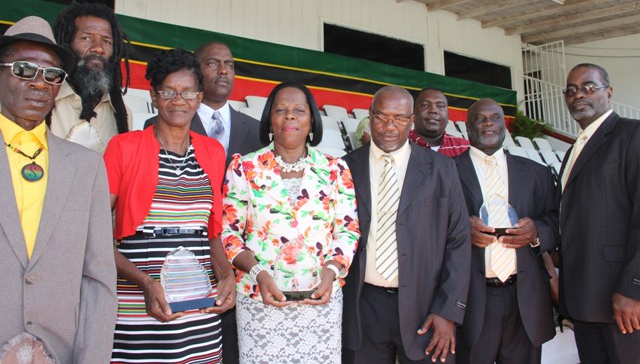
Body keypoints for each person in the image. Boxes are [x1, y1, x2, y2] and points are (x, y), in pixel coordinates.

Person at [104, 48, 235, 364]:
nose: (179, 100)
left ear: (200, 96)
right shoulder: (123, 148)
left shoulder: (214, 152)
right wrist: (146, 283)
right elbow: (94, 237)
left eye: (188, 92)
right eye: (168, 92)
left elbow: (211, 232)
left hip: (199, 312)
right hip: (140, 308)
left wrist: (227, 275)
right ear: (153, 95)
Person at [0, 16, 117, 363]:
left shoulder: (86, 165)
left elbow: (98, 279)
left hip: (59, 352)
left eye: (52, 75)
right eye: (24, 70)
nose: (40, 84)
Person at [221, 82, 360, 364]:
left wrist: (331, 272)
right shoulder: (244, 167)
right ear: (270, 119)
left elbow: (347, 229)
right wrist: (258, 272)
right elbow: (228, 233)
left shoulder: (335, 169)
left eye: (299, 110)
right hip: (260, 301)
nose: (290, 116)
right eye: (281, 110)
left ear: (312, 120)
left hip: (319, 303)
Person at [342, 85, 470, 364]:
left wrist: (449, 310)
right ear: (370, 116)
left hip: (426, 308)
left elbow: (458, 239)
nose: (389, 126)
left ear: (411, 121)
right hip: (364, 307)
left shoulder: (441, 169)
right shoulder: (345, 168)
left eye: (399, 118)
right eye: (381, 117)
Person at [453, 98, 558, 364]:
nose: (488, 122)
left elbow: (557, 221)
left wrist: (537, 232)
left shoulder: (537, 173)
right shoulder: (446, 172)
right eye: (480, 118)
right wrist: (462, 229)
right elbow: (428, 225)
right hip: (471, 299)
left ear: (505, 126)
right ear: (467, 127)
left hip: (525, 300)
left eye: (495, 117)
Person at [558, 63, 640, 363]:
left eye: (589, 87)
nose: (579, 94)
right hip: (584, 300)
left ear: (609, 91)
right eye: (571, 90)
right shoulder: (573, 149)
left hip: (622, 301)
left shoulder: (632, 134)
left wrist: (634, 289)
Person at [146, 42, 261, 168]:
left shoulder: (256, 130)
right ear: (195, 71)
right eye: (212, 63)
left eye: (229, 65)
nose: (223, 70)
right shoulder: (158, 125)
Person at [50, 2, 132, 152]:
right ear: (66, 43)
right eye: (86, 38)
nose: (98, 48)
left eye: (106, 41)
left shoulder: (122, 115)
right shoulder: (44, 101)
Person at [409, 88, 469, 157]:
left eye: (440, 106)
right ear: (413, 113)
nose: (433, 110)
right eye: (425, 105)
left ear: (448, 116)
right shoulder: (399, 145)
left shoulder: (466, 148)